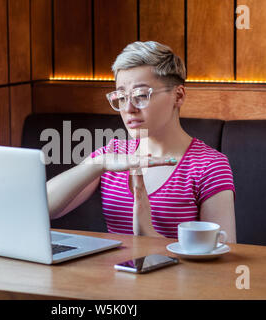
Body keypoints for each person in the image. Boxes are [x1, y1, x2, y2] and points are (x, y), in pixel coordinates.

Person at [47, 41, 236, 242]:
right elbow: (44, 208)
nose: (128, 108)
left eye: (141, 95)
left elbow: (222, 261)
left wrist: (149, 236)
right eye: (121, 97)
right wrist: (99, 164)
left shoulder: (209, 166)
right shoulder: (112, 154)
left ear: (178, 96)